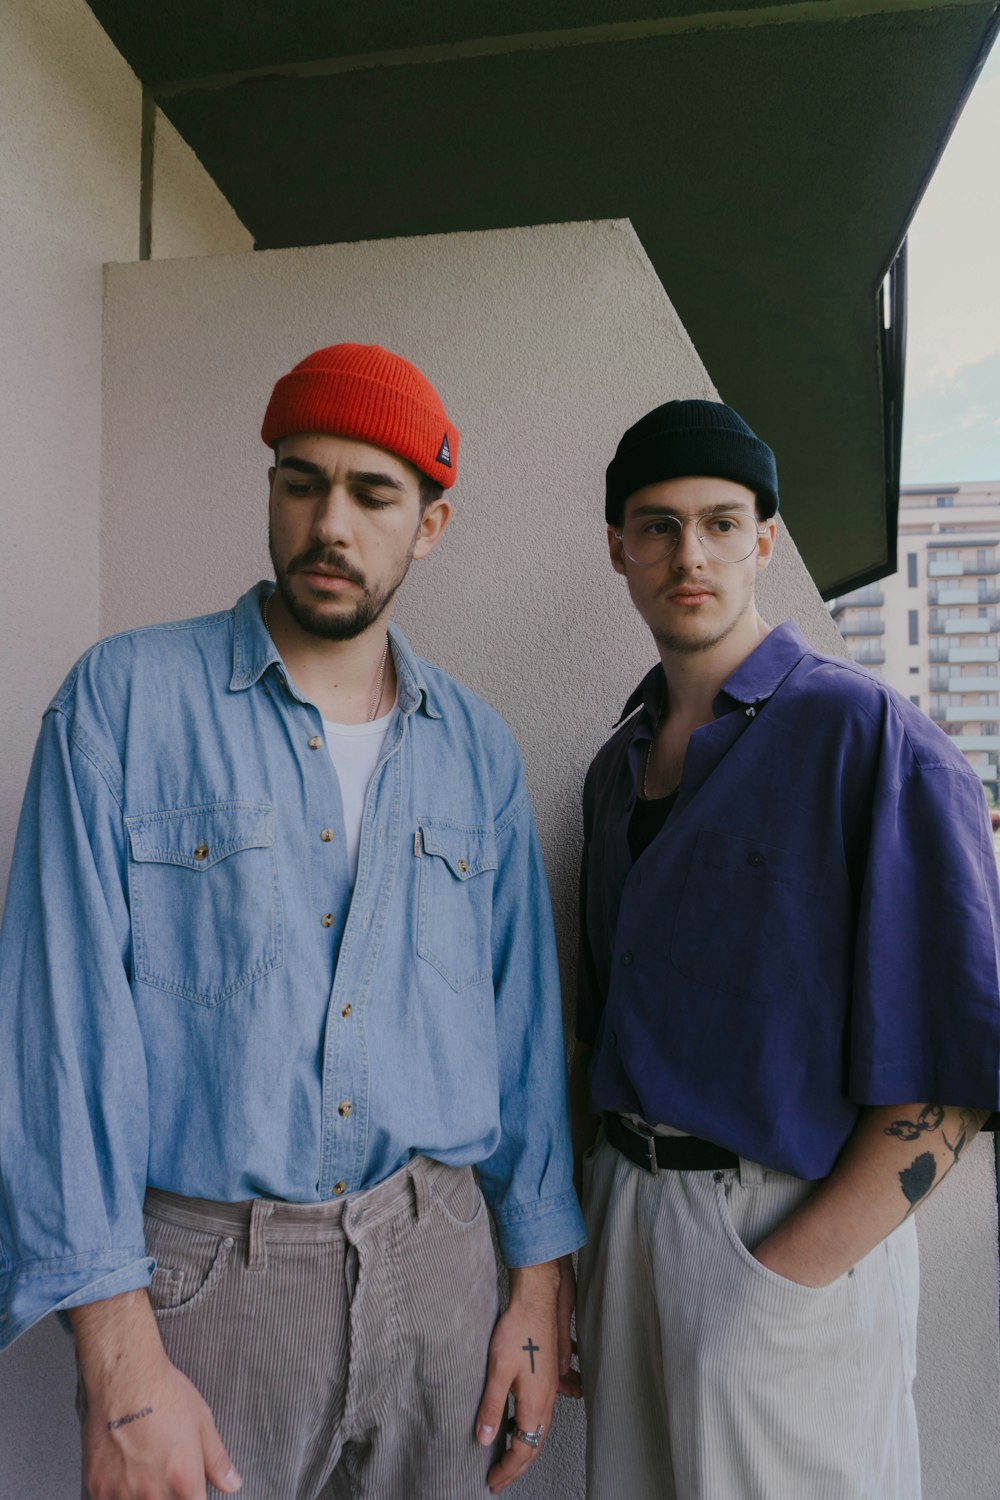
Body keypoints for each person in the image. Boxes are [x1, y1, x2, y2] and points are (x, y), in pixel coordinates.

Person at [0, 343, 584, 1500]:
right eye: (301, 481)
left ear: (428, 525)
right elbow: (60, 1039)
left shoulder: (475, 747)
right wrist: (119, 1368)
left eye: (373, 495)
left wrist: (535, 1288)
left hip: (439, 1264)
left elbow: (520, 1035)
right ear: (269, 489)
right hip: (206, 1284)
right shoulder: (120, 704)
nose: (332, 523)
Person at [571, 398, 1000, 1500]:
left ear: (766, 540)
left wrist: (777, 1281)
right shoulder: (614, 770)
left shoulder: (868, 739)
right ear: (617, 548)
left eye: (720, 524)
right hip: (626, 1215)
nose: (689, 555)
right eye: (657, 527)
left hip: (778, 1225)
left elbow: (951, 1086)